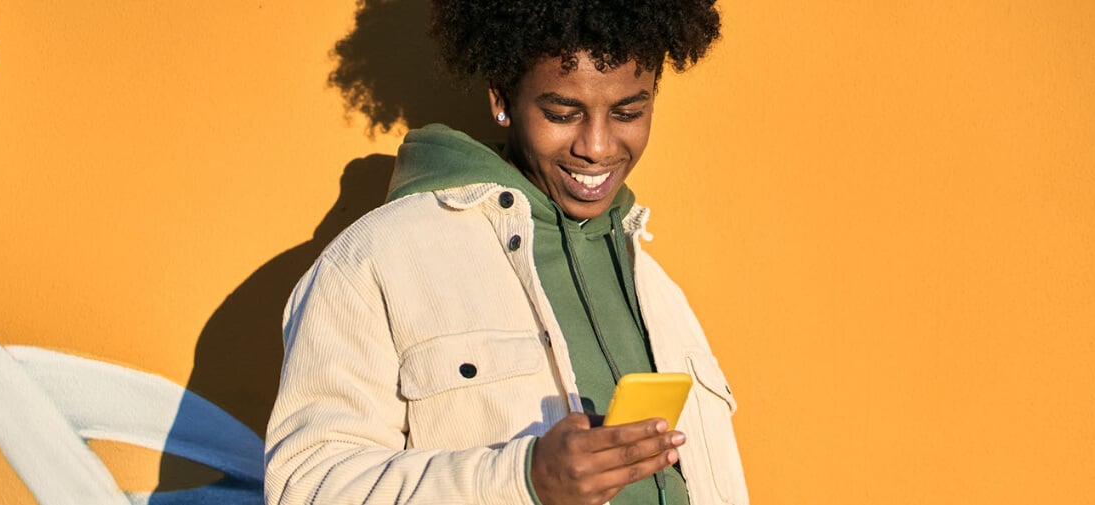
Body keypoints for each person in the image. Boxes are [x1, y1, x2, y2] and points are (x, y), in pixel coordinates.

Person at [264, 1, 748, 503]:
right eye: (562, 113)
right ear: (502, 98)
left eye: (628, 112)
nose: (598, 147)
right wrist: (524, 480)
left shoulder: (658, 290)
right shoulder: (377, 258)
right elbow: (309, 487)